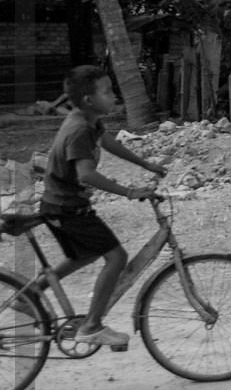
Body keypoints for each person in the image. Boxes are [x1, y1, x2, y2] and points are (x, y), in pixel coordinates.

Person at [34, 66, 167, 348]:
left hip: (63, 206)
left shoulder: (89, 121)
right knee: (117, 257)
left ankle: (31, 294)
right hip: (66, 208)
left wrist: (145, 163)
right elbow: (86, 175)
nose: (114, 95)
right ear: (88, 100)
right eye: (107, 91)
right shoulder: (79, 128)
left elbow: (107, 142)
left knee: (85, 255)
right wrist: (129, 191)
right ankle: (91, 327)